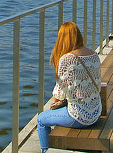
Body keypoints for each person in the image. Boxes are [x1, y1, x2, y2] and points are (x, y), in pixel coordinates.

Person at [37, 22, 102, 152]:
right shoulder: (94, 55)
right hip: (96, 113)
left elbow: (59, 94)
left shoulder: (67, 59)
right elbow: (98, 87)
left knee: (41, 120)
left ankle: (45, 151)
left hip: (78, 117)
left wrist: (56, 106)